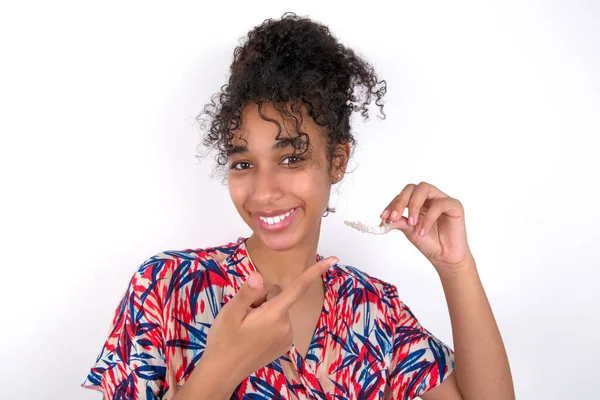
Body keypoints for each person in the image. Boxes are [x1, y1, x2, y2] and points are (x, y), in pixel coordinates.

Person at [82, 12, 514, 400]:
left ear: (337, 160)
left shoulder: (372, 310)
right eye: (244, 162)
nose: (264, 191)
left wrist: (456, 268)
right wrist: (220, 369)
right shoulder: (167, 288)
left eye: (292, 157)